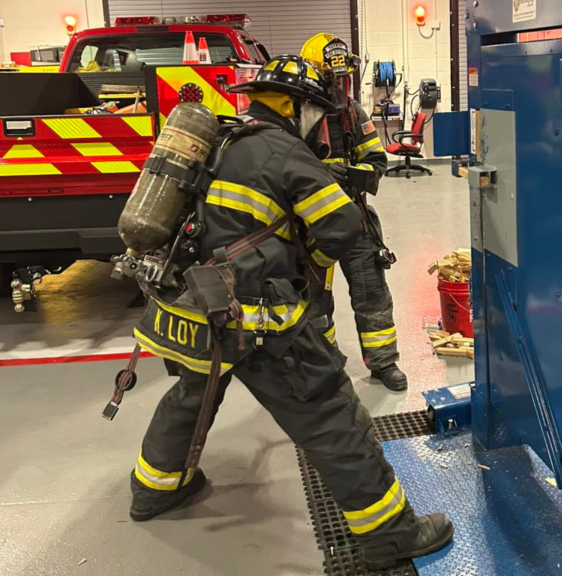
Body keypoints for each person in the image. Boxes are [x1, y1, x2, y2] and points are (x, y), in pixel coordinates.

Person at [127, 55, 454, 570]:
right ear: (297, 107)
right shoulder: (282, 149)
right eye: (314, 110)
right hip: (255, 318)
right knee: (328, 410)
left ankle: (155, 489)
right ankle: (391, 535)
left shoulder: (220, 138)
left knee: (195, 392)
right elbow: (342, 227)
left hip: (191, 305)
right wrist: (311, 269)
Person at [301, 33, 408, 392]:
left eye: (344, 79)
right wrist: (318, 175)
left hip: (354, 218)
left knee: (372, 291)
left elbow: (377, 161)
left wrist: (354, 174)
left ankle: (383, 363)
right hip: (310, 226)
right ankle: (325, 368)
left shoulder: (351, 112)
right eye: (333, 80)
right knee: (314, 301)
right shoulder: (295, 117)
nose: (339, 87)